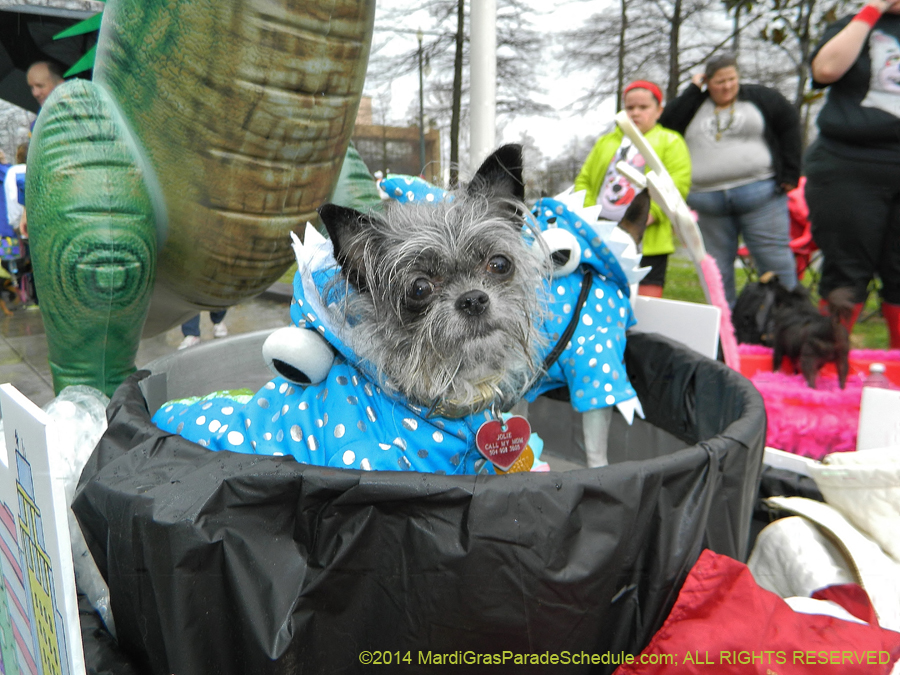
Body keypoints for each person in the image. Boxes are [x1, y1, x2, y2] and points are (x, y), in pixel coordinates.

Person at [660, 53, 802, 307]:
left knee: (775, 262)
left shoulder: (762, 98)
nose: (727, 86)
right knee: (716, 270)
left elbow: (789, 124)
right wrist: (692, 90)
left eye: (732, 79)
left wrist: (791, 173)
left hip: (761, 196)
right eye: (719, 81)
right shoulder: (694, 105)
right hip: (707, 203)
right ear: (707, 81)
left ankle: (788, 323)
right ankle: (727, 333)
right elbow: (666, 123)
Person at [804, 0, 900, 347]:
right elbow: (825, 70)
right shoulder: (852, 24)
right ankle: (830, 366)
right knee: (846, 269)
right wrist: (871, 9)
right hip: (848, 165)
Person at [574, 80, 691, 297]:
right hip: (601, 235)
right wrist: (590, 217)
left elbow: (678, 183)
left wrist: (650, 214)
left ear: (659, 110)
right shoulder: (605, 143)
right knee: (599, 295)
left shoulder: (671, 141)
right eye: (630, 107)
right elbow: (584, 181)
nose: (635, 113)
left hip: (648, 241)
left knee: (646, 304)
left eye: (643, 107)